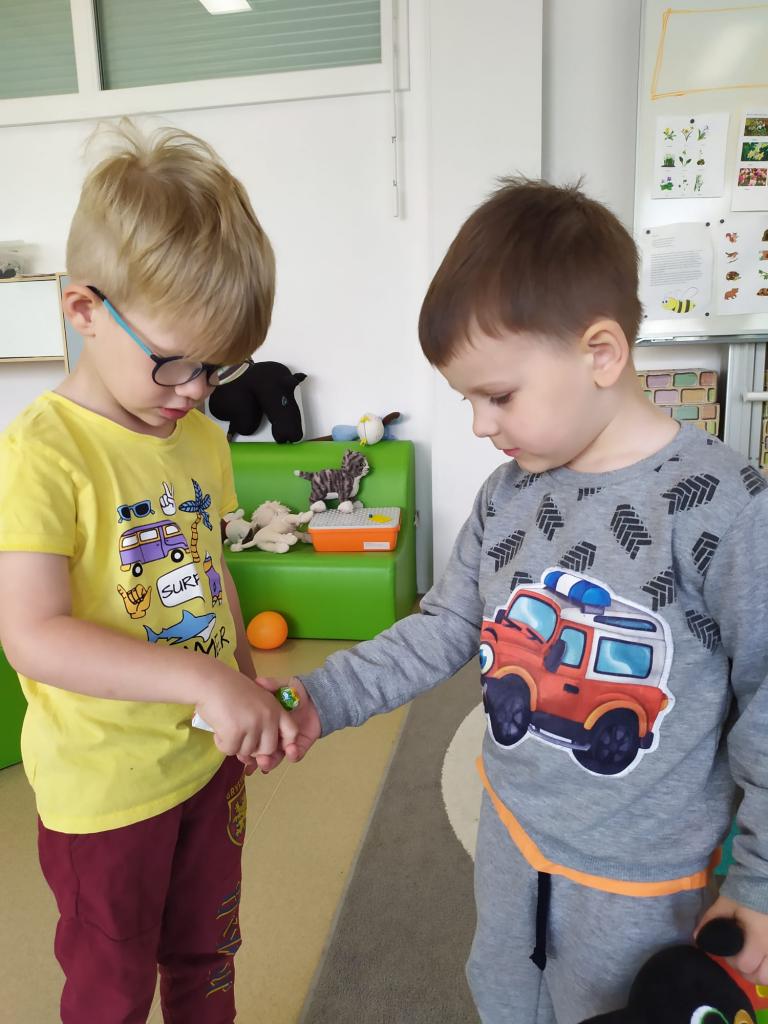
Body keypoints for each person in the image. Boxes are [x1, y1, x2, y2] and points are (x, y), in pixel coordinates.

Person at [256, 179, 768, 1023]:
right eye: (467, 399)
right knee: (502, 991)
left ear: (600, 353)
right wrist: (321, 696)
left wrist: (758, 880)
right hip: (514, 833)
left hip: (639, 878)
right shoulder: (507, 496)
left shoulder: (724, 505)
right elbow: (445, 625)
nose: (479, 425)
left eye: (498, 396)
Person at [0, 120, 296, 1024]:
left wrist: (240, 676)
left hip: (205, 762)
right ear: (84, 309)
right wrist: (201, 678)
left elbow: (210, 569)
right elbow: (32, 633)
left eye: (218, 368)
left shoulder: (199, 436)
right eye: (174, 362)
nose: (197, 390)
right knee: (112, 990)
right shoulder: (42, 453)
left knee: (208, 957)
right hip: (105, 792)